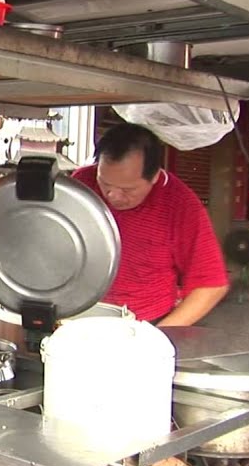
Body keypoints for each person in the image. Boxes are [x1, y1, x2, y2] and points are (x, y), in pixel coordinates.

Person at [71, 122, 229, 326]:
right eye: (105, 183)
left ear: (154, 176)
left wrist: (156, 337)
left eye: (127, 190)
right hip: (80, 317)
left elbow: (211, 284)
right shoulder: (81, 183)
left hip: (145, 323)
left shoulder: (180, 203)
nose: (113, 196)